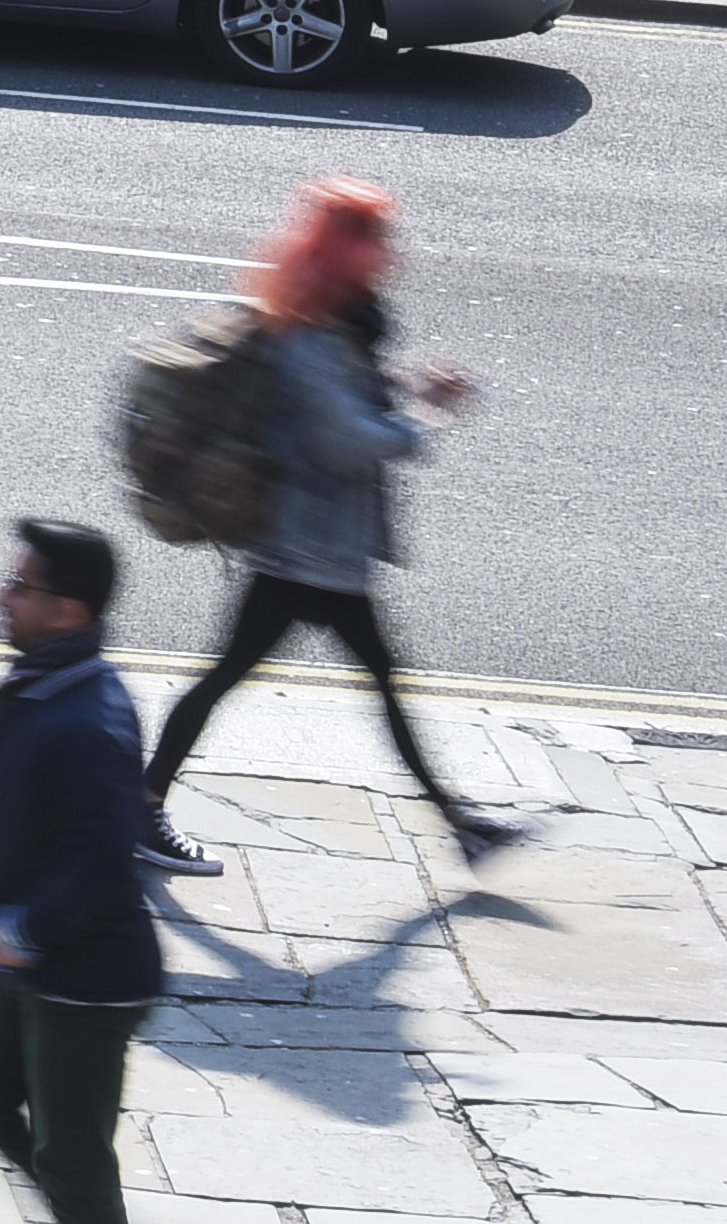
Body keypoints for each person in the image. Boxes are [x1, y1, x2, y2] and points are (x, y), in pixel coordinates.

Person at [141, 178, 519, 865]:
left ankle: (462, 824)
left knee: (354, 677)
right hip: (303, 553)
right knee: (245, 678)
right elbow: (347, 439)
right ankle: (142, 810)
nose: (390, 252)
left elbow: (344, 395)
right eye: (377, 238)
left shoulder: (334, 320)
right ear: (348, 249)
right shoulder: (309, 339)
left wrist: (405, 384)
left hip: (322, 552)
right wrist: (429, 418)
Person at [0, 518, 162, 1224]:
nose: (2, 596)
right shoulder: (46, 683)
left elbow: (103, 861)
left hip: (84, 982)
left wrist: (21, 927)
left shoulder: (90, 718)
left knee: (74, 1163)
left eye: (21, 586)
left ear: (68, 611)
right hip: (35, 966)